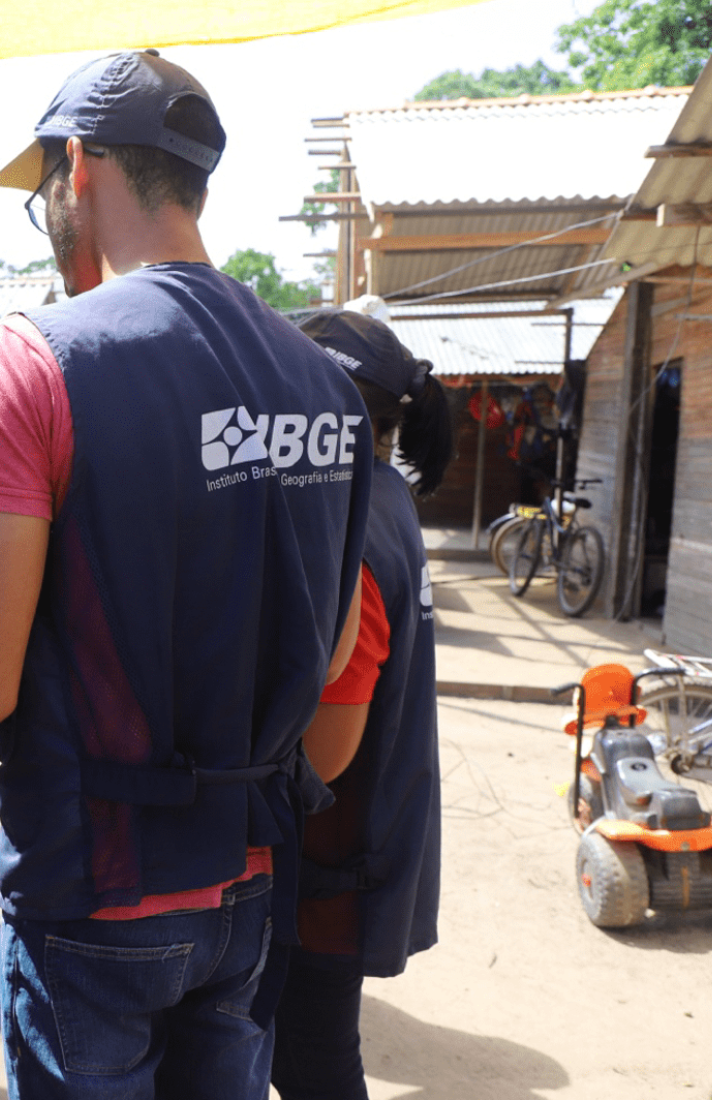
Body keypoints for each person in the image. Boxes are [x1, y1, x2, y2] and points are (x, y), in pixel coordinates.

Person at [0, 51, 372, 1099]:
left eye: (44, 192)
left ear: (78, 167)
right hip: (250, 885)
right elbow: (333, 652)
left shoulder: (29, 359)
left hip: (98, 894)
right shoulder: (324, 382)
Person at [270, 309, 452, 1100]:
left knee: (311, 1062)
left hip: (330, 866)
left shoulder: (353, 535)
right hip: (352, 852)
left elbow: (325, 754)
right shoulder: (383, 496)